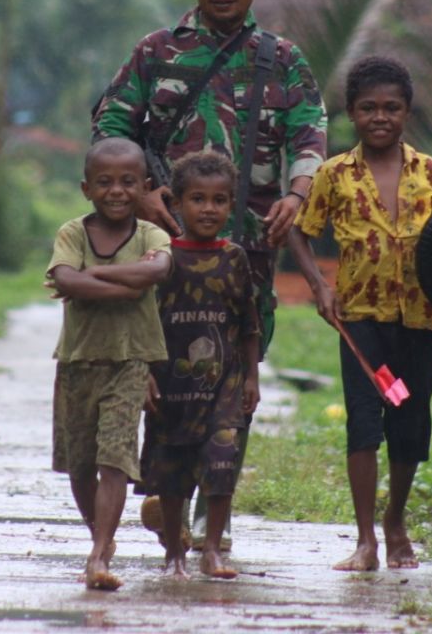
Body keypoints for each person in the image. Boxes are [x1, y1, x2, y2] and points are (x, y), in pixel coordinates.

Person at [92, 0, 327, 548]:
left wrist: (299, 193)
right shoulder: (156, 51)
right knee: (162, 364)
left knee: (234, 370)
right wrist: (141, 194)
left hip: (246, 246)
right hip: (164, 242)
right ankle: (173, 489)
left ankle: (206, 509)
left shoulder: (283, 60)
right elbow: (110, 128)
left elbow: (312, 130)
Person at [286, 56, 432, 571]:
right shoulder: (335, 175)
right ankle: (364, 541)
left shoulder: (431, 173)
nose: (380, 117)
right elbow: (297, 229)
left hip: (417, 323)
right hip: (359, 323)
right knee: (364, 422)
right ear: (351, 113)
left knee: (407, 420)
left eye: (391, 108)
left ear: (407, 111)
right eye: (368, 108)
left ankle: (395, 521)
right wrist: (319, 285)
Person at [46, 137, 173, 591]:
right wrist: (124, 285)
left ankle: (99, 553)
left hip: (130, 361)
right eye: (104, 182)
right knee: (80, 466)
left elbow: (157, 271)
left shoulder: (150, 235)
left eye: (127, 182)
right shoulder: (73, 233)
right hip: (79, 362)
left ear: (144, 187)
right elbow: (64, 277)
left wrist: (93, 274)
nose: (116, 191)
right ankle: (99, 537)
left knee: (115, 458)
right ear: (86, 188)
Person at [138, 151, 260, 580]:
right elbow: (143, 319)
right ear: (178, 204)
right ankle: (174, 553)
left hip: (223, 384)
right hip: (170, 383)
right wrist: (145, 374)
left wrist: (251, 378)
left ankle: (212, 551)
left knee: (222, 457)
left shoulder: (235, 258)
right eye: (198, 199)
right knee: (171, 470)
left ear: (231, 205)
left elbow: (248, 323)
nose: (209, 209)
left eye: (219, 200)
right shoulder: (162, 258)